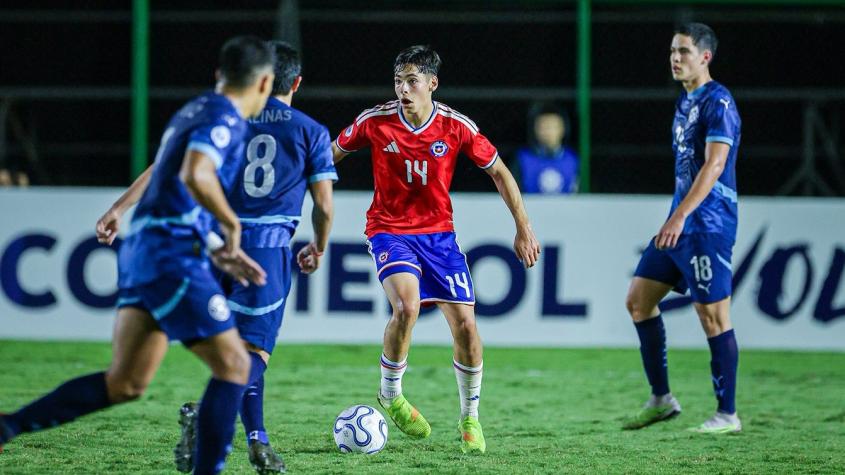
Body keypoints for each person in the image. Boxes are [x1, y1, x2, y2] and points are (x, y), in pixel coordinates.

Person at [0, 36, 274, 475]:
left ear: (218, 75)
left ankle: (7, 427)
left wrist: (126, 211)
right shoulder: (227, 118)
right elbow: (195, 174)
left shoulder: (195, 109)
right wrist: (231, 226)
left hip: (145, 250)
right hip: (171, 254)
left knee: (125, 383)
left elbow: (166, 172)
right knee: (235, 365)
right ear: (264, 83)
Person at [96, 41, 336, 474]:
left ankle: (258, 439)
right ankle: (205, 413)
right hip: (264, 251)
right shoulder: (310, 130)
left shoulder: (231, 117)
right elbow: (324, 204)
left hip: (213, 247)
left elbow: (166, 167)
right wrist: (318, 244)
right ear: (296, 82)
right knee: (253, 355)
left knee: (234, 355)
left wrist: (120, 207)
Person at [332, 45, 541, 454]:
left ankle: (469, 418)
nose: (403, 90)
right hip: (388, 230)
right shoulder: (375, 122)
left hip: (439, 237)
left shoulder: (455, 126)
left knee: (466, 325)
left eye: (412, 81)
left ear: (432, 83)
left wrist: (523, 227)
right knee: (407, 306)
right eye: (398, 81)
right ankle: (390, 394)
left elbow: (499, 171)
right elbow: (330, 155)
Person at [622, 23, 742, 434]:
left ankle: (728, 415)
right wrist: (676, 216)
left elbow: (715, 165)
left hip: (707, 225)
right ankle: (661, 398)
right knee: (639, 300)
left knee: (712, 316)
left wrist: (679, 216)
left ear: (705, 56)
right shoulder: (685, 102)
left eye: (685, 51)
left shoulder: (719, 101)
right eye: (673, 51)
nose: (676, 58)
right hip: (681, 222)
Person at [513, 103, 579, 194]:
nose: (548, 132)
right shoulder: (522, 158)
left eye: (552, 127)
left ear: (563, 129)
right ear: (535, 130)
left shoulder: (573, 159)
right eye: (543, 127)